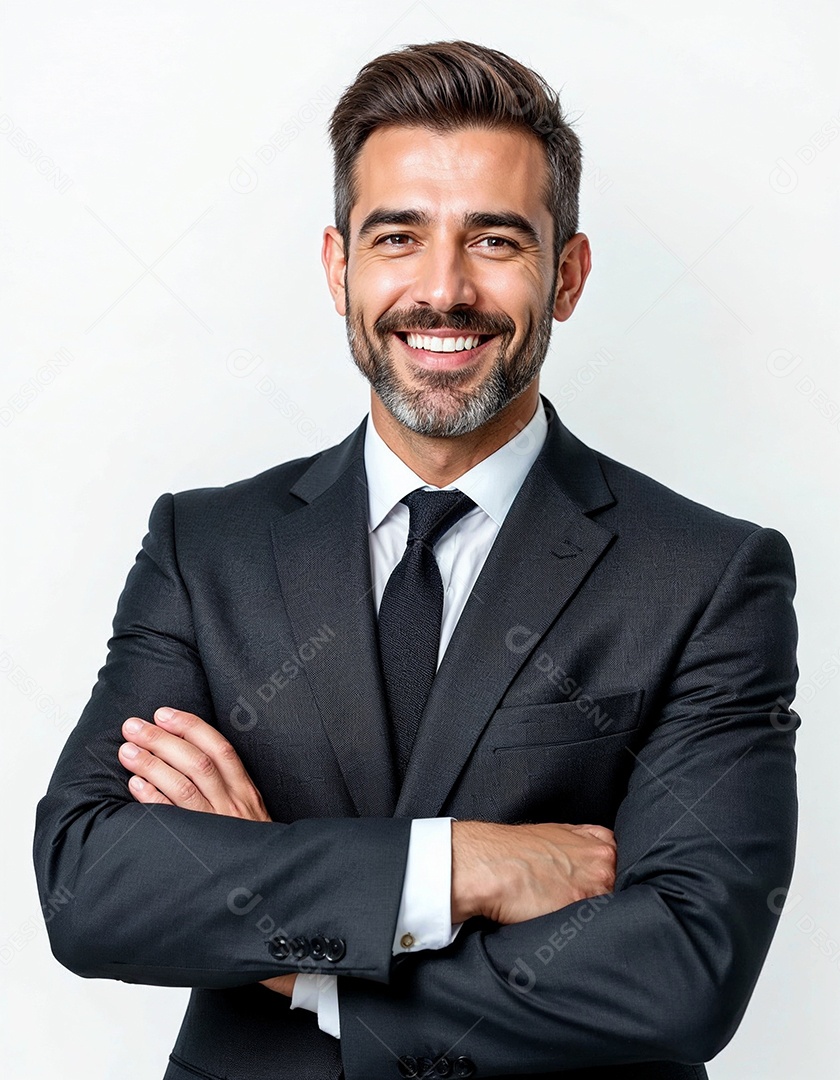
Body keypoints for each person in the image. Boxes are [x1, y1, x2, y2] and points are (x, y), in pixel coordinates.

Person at [33, 40, 800, 1080]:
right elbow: (91, 883)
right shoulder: (206, 548)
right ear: (338, 266)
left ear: (566, 275)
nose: (443, 291)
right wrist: (457, 865)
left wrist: (301, 959)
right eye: (399, 236)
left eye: (494, 239)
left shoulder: (708, 577)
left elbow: (685, 968)